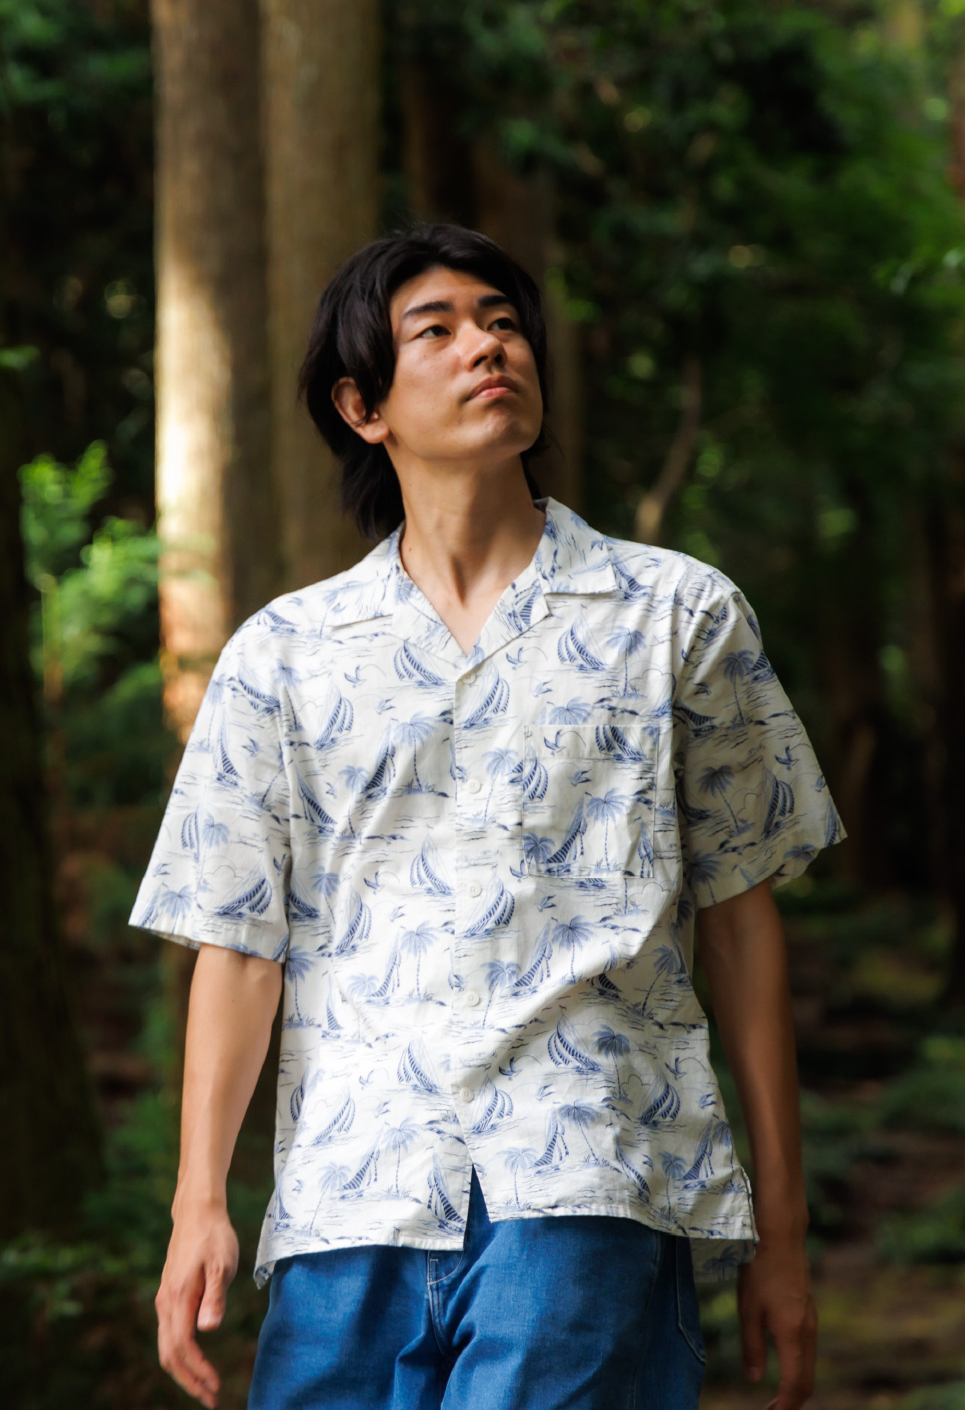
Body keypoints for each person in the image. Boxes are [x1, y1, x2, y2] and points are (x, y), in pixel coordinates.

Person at [132, 224, 842, 1410]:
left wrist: (783, 1228)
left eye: (503, 321)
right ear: (362, 406)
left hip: (589, 1181)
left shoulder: (677, 615)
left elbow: (740, 923)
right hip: (349, 1198)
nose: (487, 346)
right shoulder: (284, 655)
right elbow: (239, 944)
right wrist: (197, 1199)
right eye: (439, 329)